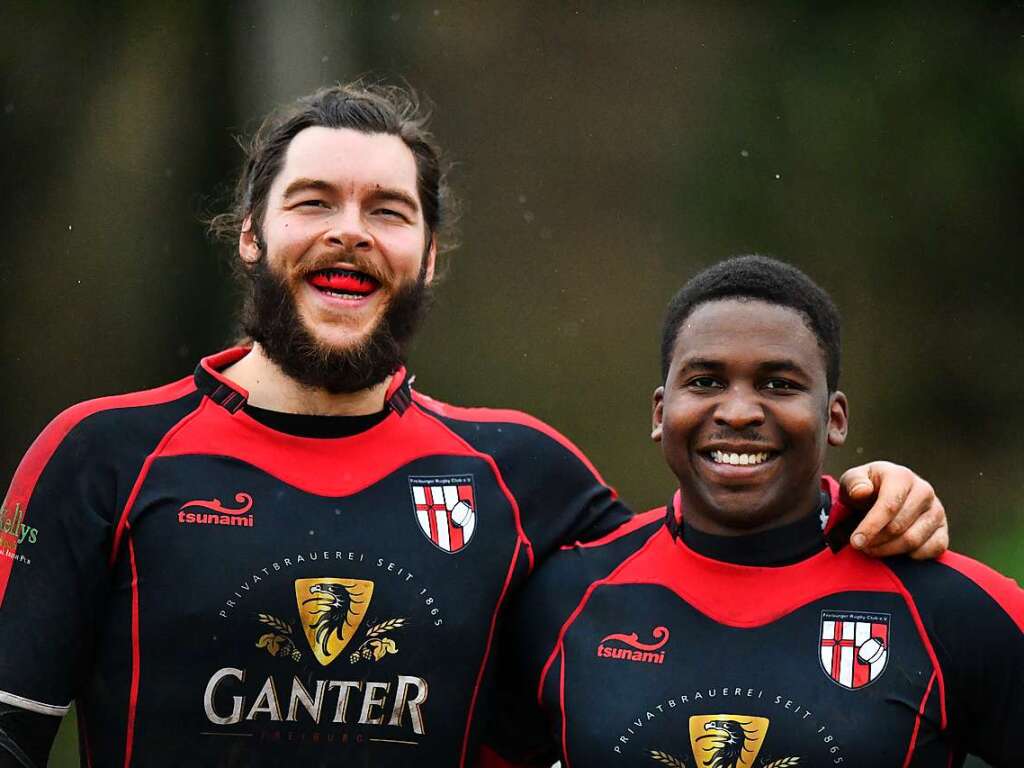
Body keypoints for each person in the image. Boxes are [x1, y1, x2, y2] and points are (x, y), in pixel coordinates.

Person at [0, 86, 947, 768]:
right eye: (313, 203)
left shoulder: (522, 474)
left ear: (428, 256)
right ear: (251, 235)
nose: (351, 231)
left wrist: (863, 497)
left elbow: (712, 570)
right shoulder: (100, 455)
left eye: (389, 211)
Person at [493, 255, 1023, 767]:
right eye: (706, 382)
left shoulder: (950, 607)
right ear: (660, 412)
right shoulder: (564, 600)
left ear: (834, 419)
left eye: (779, 384)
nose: (740, 412)